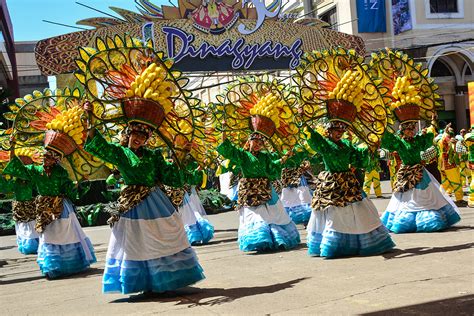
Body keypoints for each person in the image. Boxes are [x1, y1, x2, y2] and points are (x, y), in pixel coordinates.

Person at [84, 102, 204, 294]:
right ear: (128, 134)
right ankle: (142, 281)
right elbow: (100, 146)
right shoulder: (120, 153)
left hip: (157, 201)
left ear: (147, 139)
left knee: (161, 236)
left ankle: (164, 277)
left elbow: (170, 176)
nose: (138, 138)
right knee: (135, 241)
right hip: (132, 203)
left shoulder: (154, 156)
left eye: (143, 136)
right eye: (135, 134)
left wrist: (182, 153)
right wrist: (90, 118)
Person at [4, 141, 96, 278]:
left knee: (65, 234)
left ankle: (70, 265)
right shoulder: (35, 170)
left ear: (55, 161)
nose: (47, 160)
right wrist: (12, 148)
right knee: (47, 236)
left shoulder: (61, 172)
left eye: (51, 158)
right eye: (46, 157)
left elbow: (69, 190)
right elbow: (17, 168)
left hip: (61, 207)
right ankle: (52, 266)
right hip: (43, 208)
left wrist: (81, 183)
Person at [305, 122, 395, 258]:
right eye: (336, 130)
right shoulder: (325, 144)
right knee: (335, 214)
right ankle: (335, 244)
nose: (339, 133)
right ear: (329, 131)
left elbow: (357, 157)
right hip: (332, 185)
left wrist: (370, 147)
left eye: (341, 130)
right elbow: (314, 138)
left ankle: (367, 242)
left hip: (348, 182)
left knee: (363, 211)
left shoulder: (346, 144)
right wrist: (304, 123)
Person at [217, 131, 300, 252]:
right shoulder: (243, 155)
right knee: (256, 215)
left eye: (260, 143)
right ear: (249, 142)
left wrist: (284, 158)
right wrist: (224, 131)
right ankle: (260, 240)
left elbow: (271, 167)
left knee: (276, 213)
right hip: (250, 191)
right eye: (255, 141)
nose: (257, 144)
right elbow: (228, 149)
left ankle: (277, 239)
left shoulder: (264, 156)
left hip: (266, 188)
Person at [380, 120, 462, 233]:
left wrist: (433, 122)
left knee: (426, 195)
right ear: (403, 131)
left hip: (420, 172)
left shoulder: (419, 140)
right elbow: (386, 140)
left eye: (413, 129)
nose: (412, 131)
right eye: (409, 129)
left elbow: (429, 136)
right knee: (404, 197)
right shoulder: (399, 142)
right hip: (405, 173)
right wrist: (382, 124)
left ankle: (428, 219)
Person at [0, 151, 39, 254]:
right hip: (19, 206)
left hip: (31, 205)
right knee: (22, 225)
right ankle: (28, 244)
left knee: (31, 224)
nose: (23, 161)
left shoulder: (32, 175)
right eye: (21, 159)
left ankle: (33, 244)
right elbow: (5, 188)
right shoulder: (14, 180)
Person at [279, 148, 313, 225]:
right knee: (289, 198)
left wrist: (306, 163)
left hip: (299, 176)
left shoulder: (299, 148)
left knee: (303, 196)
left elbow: (306, 158)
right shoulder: (280, 149)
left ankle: (307, 220)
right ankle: (290, 221)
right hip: (287, 178)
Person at [439, 125, 466, 207]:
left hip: (442, 165)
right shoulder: (449, 141)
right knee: (456, 183)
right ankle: (459, 199)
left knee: (444, 183)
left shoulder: (440, 140)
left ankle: (439, 199)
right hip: (450, 166)